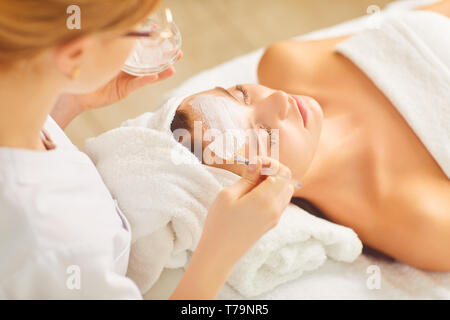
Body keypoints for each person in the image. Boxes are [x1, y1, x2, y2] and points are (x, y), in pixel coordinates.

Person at [0, 0, 294, 299]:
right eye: (136, 26)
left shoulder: (18, 114)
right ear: (75, 54)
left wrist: (66, 103)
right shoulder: (56, 249)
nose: (281, 98)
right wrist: (219, 253)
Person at [170, 2, 450, 271]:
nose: (278, 99)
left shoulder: (287, 61)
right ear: (261, 190)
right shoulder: (417, 219)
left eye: (240, 94)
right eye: (263, 133)